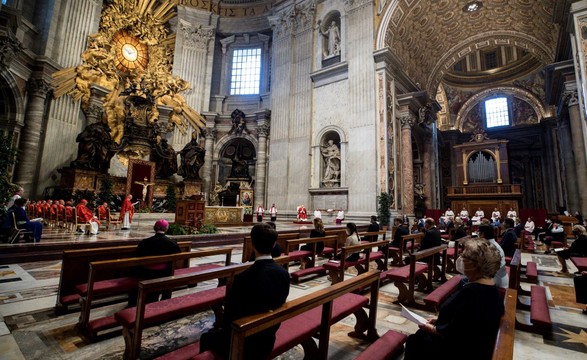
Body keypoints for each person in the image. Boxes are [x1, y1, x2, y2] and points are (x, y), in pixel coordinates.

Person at [200, 223, 290, 359]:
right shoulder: (284, 274)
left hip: (244, 339)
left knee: (206, 337)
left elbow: (229, 316)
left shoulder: (243, 278)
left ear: (252, 245)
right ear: (273, 245)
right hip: (268, 337)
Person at [404, 238, 505, 360]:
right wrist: (439, 320)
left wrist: (431, 328)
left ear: (475, 265)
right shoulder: (490, 287)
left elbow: (454, 335)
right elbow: (465, 321)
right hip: (472, 344)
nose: (461, 259)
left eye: (464, 257)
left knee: (414, 341)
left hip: (457, 351)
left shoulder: (471, 293)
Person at [128, 219, 181, 306]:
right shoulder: (172, 242)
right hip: (163, 272)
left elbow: (136, 255)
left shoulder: (145, 242)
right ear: (166, 229)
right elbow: (178, 256)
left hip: (146, 272)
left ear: (154, 228)